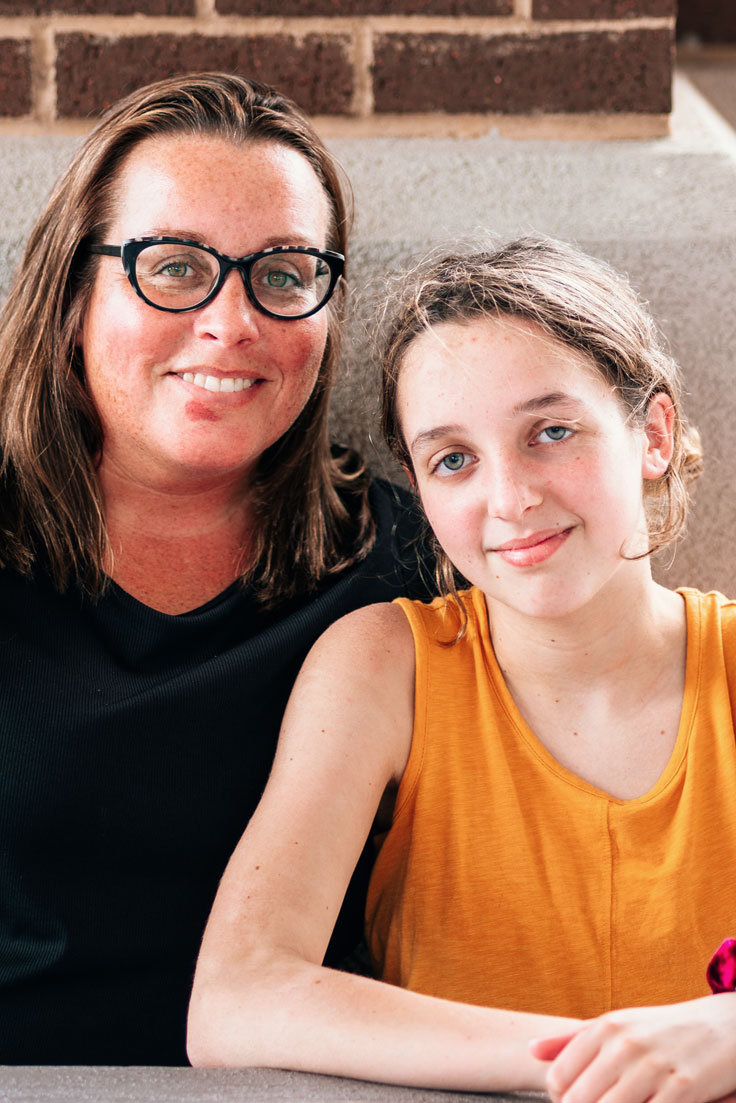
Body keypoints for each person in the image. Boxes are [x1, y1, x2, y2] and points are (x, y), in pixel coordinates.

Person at [188, 237, 736, 1102]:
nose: (510, 496)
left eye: (552, 432)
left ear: (654, 434)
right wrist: (604, 1059)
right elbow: (233, 998)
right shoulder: (387, 666)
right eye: (454, 459)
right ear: (419, 486)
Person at [0, 72, 434, 1065]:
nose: (230, 321)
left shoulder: (407, 567)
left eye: (282, 274)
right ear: (73, 294)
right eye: (174, 265)